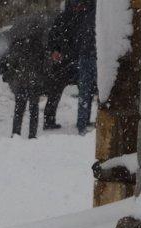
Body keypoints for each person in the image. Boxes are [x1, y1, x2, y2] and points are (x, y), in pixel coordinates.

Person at [49, 0, 97, 135]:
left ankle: (83, 122)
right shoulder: (73, 15)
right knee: (83, 90)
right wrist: (56, 49)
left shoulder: (87, 13)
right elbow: (56, 33)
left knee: (86, 90)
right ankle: (81, 123)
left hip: (83, 54)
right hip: (80, 55)